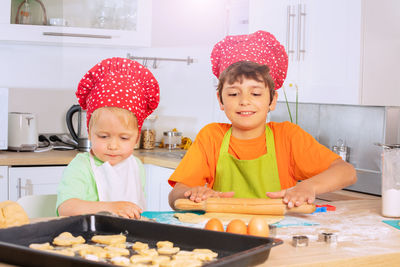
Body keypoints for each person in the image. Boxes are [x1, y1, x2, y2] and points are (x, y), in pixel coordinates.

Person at [168, 31, 356, 209]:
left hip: (279, 235)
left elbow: (346, 171)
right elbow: (175, 195)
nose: (244, 101)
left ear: (272, 100)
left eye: (256, 93)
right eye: (234, 93)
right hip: (224, 232)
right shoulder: (212, 137)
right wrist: (191, 193)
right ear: (221, 100)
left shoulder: (287, 137)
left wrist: (308, 187)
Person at [57, 57, 160, 219]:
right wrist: (111, 208)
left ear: (136, 138)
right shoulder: (82, 166)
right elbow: (66, 208)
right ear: (90, 133)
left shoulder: (136, 166)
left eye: (124, 138)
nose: (113, 145)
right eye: (104, 136)